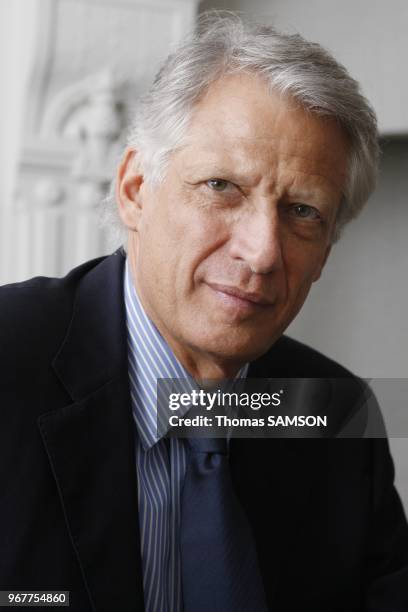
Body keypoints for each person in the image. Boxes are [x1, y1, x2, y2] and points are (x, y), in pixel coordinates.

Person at [1, 13, 407, 612]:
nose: (263, 252)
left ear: (325, 253)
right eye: (222, 187)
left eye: (302, 212)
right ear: (135, 189)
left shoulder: (330, 412)